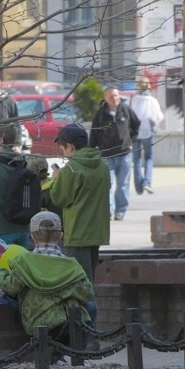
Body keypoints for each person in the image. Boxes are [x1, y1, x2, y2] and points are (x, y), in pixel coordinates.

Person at [0, 211, 94, 355]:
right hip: (73, 322)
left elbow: (12, 287)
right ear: (61, 236)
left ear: (32, 237)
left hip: (39, 323)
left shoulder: (24, 262)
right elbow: (87, 294)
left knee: (3, 295)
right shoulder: (72, 265)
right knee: (90, 307)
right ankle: (76, 355)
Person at [49, 123, 110, 288]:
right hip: (97, 231)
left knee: (78, 284)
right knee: (90, 281)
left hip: (78, 232)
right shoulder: (103, 166)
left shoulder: (72, 168)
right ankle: (92, 313)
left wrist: (56, 179)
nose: (63, 153)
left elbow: (59, 198)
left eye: (62, 149)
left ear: (69, 146)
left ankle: (86, 314)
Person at [88, 87, 140, 221]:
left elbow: (136, 124)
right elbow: (94, 133)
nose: (115, 98)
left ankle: (120, 211)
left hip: (124, 154)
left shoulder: (126, 110)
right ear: (105, 98)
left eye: (116, 96)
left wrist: (131, 140)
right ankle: (109, 210)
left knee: (123, 185)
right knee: (108, 185)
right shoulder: (100, 113)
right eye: (111, 96)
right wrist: (90, 151)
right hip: (107, 155)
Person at [130, 76, 164, 195]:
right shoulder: (152, 100)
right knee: (149, 158)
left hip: (135, 133)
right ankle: (147, 183)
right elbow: (159, 117)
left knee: (137, 159)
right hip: (148, 133)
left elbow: (130, 115)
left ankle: (139, 188)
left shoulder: (134, 99)